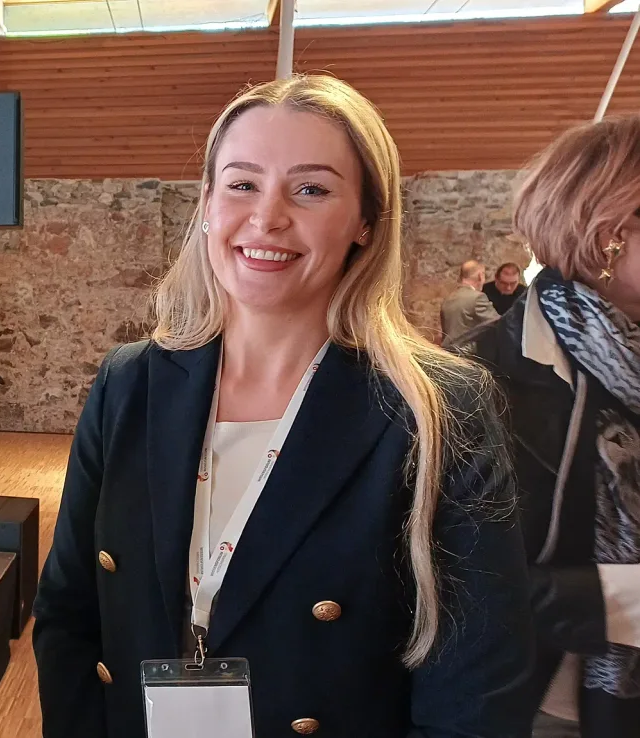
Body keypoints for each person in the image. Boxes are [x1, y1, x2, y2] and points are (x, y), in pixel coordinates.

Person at [33, 75, 536, 738]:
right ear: (208, 203)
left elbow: (476, 694)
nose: (267, 217)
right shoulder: (130, 384)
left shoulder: (438, 407)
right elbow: (68, 614)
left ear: (365, 220)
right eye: (242, 183)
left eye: (311, 189)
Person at [457, 116, 640, 738]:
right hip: (548, 706)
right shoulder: (478, 379)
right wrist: (621, 602)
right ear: (608, 234)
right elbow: (447, 576)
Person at [441, 259, 501, 341]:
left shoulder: (448, 299)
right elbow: (498, 324)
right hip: (469, 352)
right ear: (480, 276)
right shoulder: (478, 298)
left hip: (447, 351)